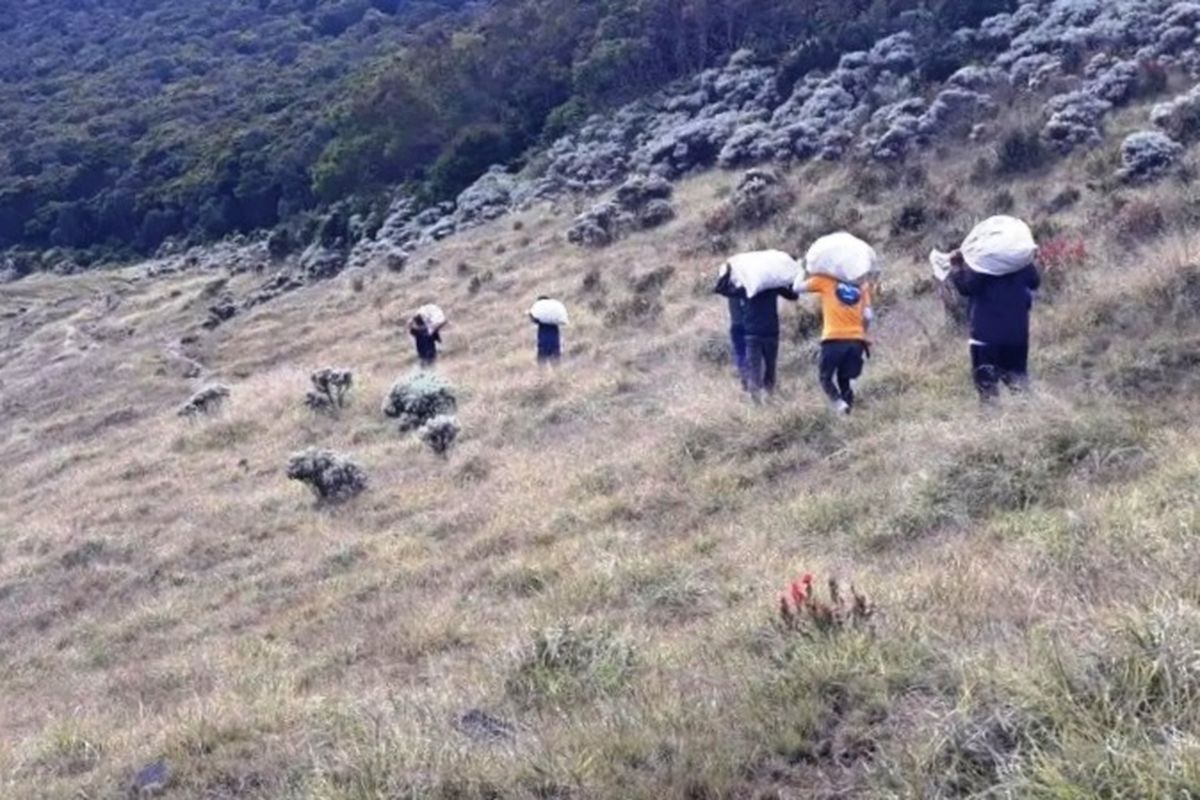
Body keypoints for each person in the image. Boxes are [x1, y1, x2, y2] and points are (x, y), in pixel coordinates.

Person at [948, 251, 1041, 400]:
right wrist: (1030, 259)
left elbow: (966, 287)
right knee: (1019, 383)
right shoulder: (1019, 260)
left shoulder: (981, 263)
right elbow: (1035, 281)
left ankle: (992, 421)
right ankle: (1029, 418)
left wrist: (957, 267)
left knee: (986, 388)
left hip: (985, 335)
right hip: (1016, 333)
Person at [796, 274, 873, 414]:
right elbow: (868, 315)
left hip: (833, 339)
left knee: (825, 377)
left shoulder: (825, 281)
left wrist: (800, 268)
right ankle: (847, 413)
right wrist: (863, 333)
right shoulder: (862, 285)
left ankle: (838, 404)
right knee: (846, 379)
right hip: (856, 340)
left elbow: (797, 288)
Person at [741, 285, 800, 399]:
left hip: (752, 332)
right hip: (770, 332)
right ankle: (769, 398)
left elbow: (724, 289)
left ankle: (756, 403)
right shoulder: (772, 284)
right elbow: (793, 295)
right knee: (770, 369)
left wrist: (726, 274)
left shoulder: (747, 283)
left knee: (755, 370)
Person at [713, 269, 749, 388]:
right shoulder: (751, 288)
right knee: (752, 353)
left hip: (737, 325)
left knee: (741, 353)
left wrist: (727, 272)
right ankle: (752, 378)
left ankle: (745, 376)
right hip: (750, 326)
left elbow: (718, 288)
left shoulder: (731, 290)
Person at [530, 296, 562, 364]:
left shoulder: (541, 315)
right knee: (556, 364)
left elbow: (533, 319)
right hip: (554, 341)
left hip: (543, 342)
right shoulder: (554, 314)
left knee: (541, 364)